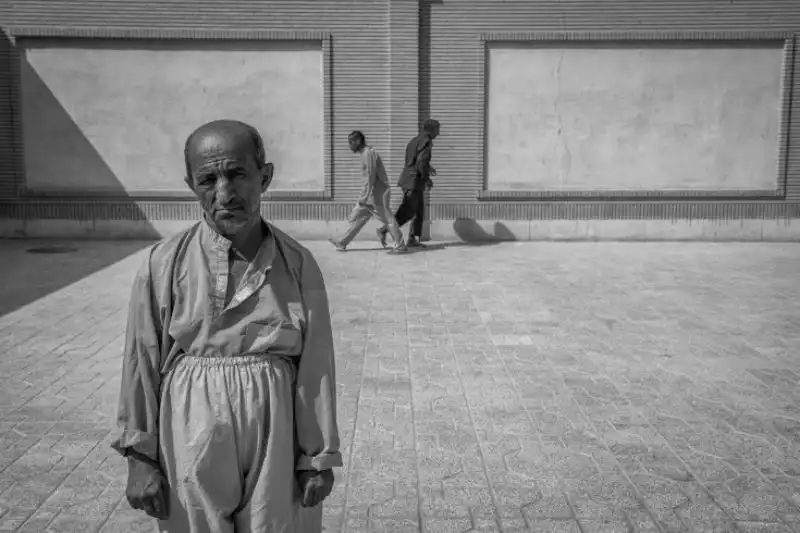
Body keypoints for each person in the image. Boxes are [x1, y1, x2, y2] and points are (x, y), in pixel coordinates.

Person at [111, 119, 342, 533]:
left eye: (237, 174)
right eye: (208, 179)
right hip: (190, 429)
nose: (224, 194)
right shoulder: (162, 264)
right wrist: (139, 458)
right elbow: (141, 361)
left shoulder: (299, 263)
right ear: (190, 184)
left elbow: (317, 367)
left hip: (277, 431)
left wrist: (317, 456)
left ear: (264, 176)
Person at [328, 131, 407, 253]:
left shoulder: (368, 153)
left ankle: (400, 245)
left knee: (388, 219)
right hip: (369, 195)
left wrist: (364, 196)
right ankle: (342, 242)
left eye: (351, 142)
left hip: (377, 194)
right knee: (358, 219)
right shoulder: (365, 153)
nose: (349, 146)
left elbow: (371, 176)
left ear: (358, 141)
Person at [393, 118, 440, 248]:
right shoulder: (426, 141)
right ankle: (385, 229)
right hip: (413, 182)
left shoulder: (415, 141)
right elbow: (420, 163)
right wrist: (427, 179)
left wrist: (428, 168)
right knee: (408, 211)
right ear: (430, 129)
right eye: (437, 130)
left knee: (419, 212)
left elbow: (413, 160)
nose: (438, 133)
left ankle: (413, 238)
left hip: (411, 180)